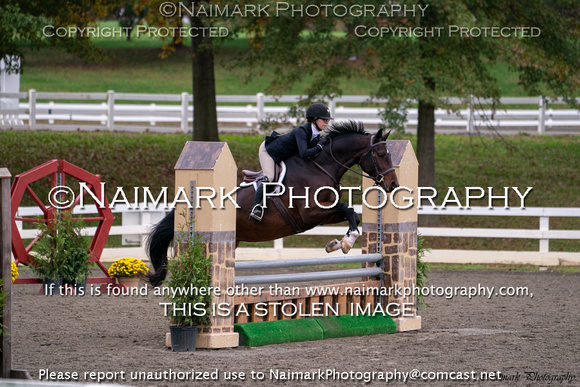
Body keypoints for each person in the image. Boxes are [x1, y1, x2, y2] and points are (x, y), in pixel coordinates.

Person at [249, 103, 333, 222]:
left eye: (327, 120)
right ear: (314, 119)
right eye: (324, 120)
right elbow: (304, 153)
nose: (326, 123)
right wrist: (319, 147)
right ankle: (255, 208)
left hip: (284, 155)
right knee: (270, 177)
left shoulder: (316, 136)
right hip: (269, 152)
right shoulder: (302, 131)